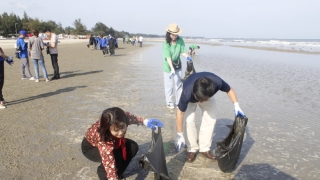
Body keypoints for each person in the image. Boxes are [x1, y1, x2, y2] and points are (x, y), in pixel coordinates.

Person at [174, 72, 245, 162]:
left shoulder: (217, 83)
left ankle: (204, 148)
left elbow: (229, 89)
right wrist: (179, 134)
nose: (201, 102)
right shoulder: (187, 93)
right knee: (189, 120)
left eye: (203, 100)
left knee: (211, 119)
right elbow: (180, 113)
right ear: (195, 93)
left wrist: (236, 105)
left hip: (206, 93)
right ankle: (191, 149)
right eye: (199, 99)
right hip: (191, 97)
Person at [81, 107, 163, 180]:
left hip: (113, 140)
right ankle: (102, 173)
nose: (121, 133)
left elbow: (131, 118)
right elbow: (109, 163)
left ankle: (119, 174)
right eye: (116, 130)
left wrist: (146, 122)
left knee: (132, 147)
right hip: (91, 147)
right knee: (116, 156)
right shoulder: (104, 139)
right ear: (108, 128)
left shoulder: (121, 117)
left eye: (122, 127)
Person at [162, 23, 192, 109]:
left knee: (178, 84)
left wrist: (187, 56)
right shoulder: (166, 43)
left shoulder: (180, 40)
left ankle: (179, 101)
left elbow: (182, 51)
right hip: (168, 66)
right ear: (169, 33)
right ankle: (169, 102)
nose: (174, 36)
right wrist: (171, 68)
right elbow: (168, 57)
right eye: (172, 34)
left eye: (176, 34)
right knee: (169, 85)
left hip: (178, 64)